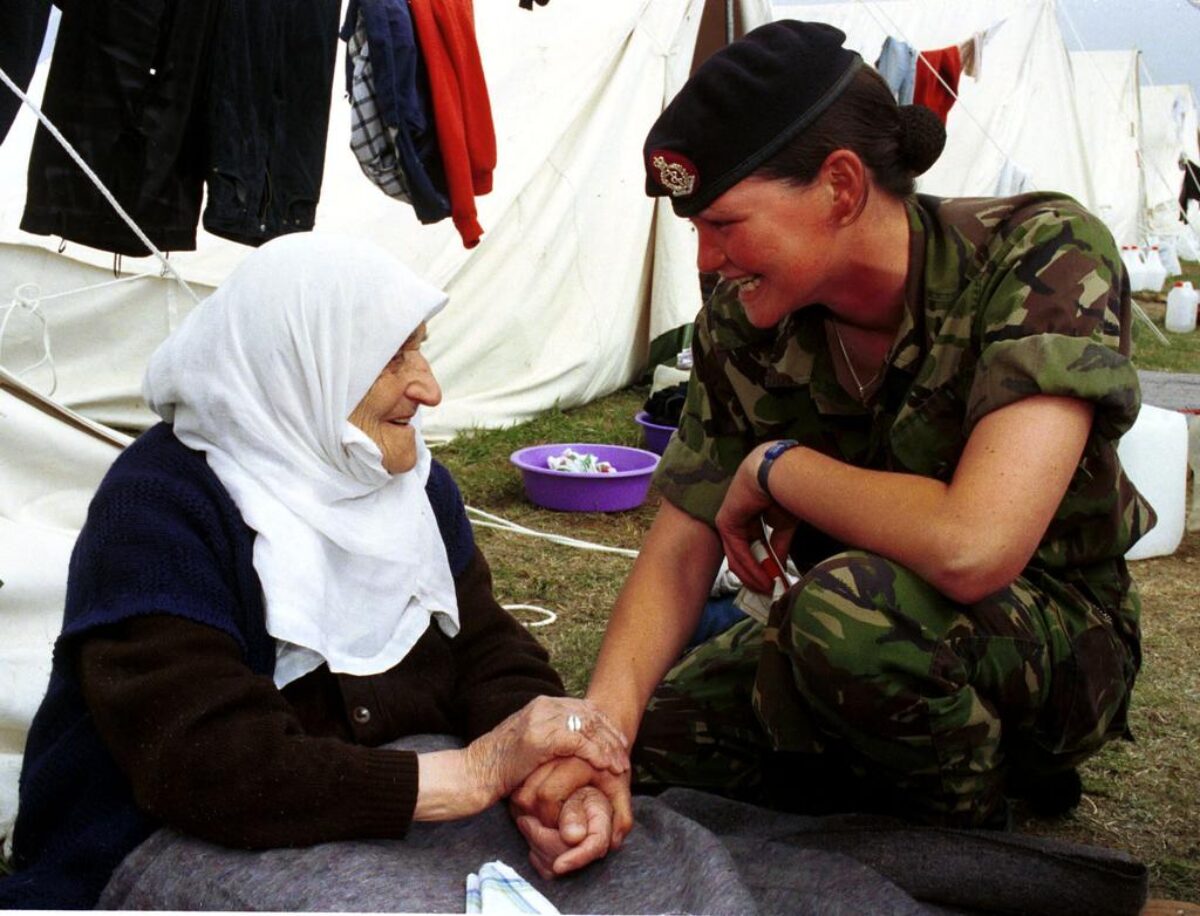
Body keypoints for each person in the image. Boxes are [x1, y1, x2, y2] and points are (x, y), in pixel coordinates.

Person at [511, 20, 1152, 876]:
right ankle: (862, 766)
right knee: (654, 736)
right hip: (843, 624)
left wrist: (780, 468)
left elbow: (976, 545)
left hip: (1049, 639)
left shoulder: (1039, 258)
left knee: (842, 615)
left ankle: (975, 808)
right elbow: (680, 547)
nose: (707, 259)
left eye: (727, 223)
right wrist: (600, 733)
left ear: (841, 187)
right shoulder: (742, 323)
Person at [0, 233, 628, 909]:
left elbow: (485, 646)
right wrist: (472, 774)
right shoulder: (160, 507)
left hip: (378, 799)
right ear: (300, 361)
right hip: (171, 834)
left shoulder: (411, 484)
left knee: (619, 869)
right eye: (392, 357)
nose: (429, 387)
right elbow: (203, 761)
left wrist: (552, 767)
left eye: (420, 346)